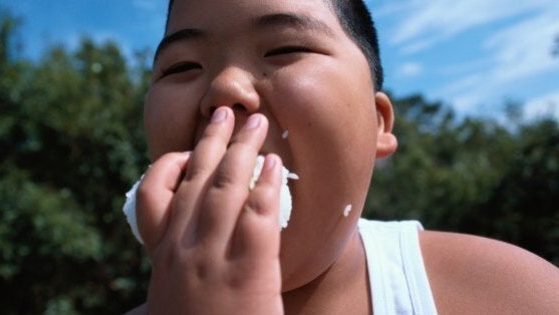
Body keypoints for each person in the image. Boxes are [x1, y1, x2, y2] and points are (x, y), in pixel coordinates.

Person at [125, 0, 559, 313]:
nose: (225, 89)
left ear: (377, 122)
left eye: (283, 50)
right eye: (181, 68)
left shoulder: (510, 293)